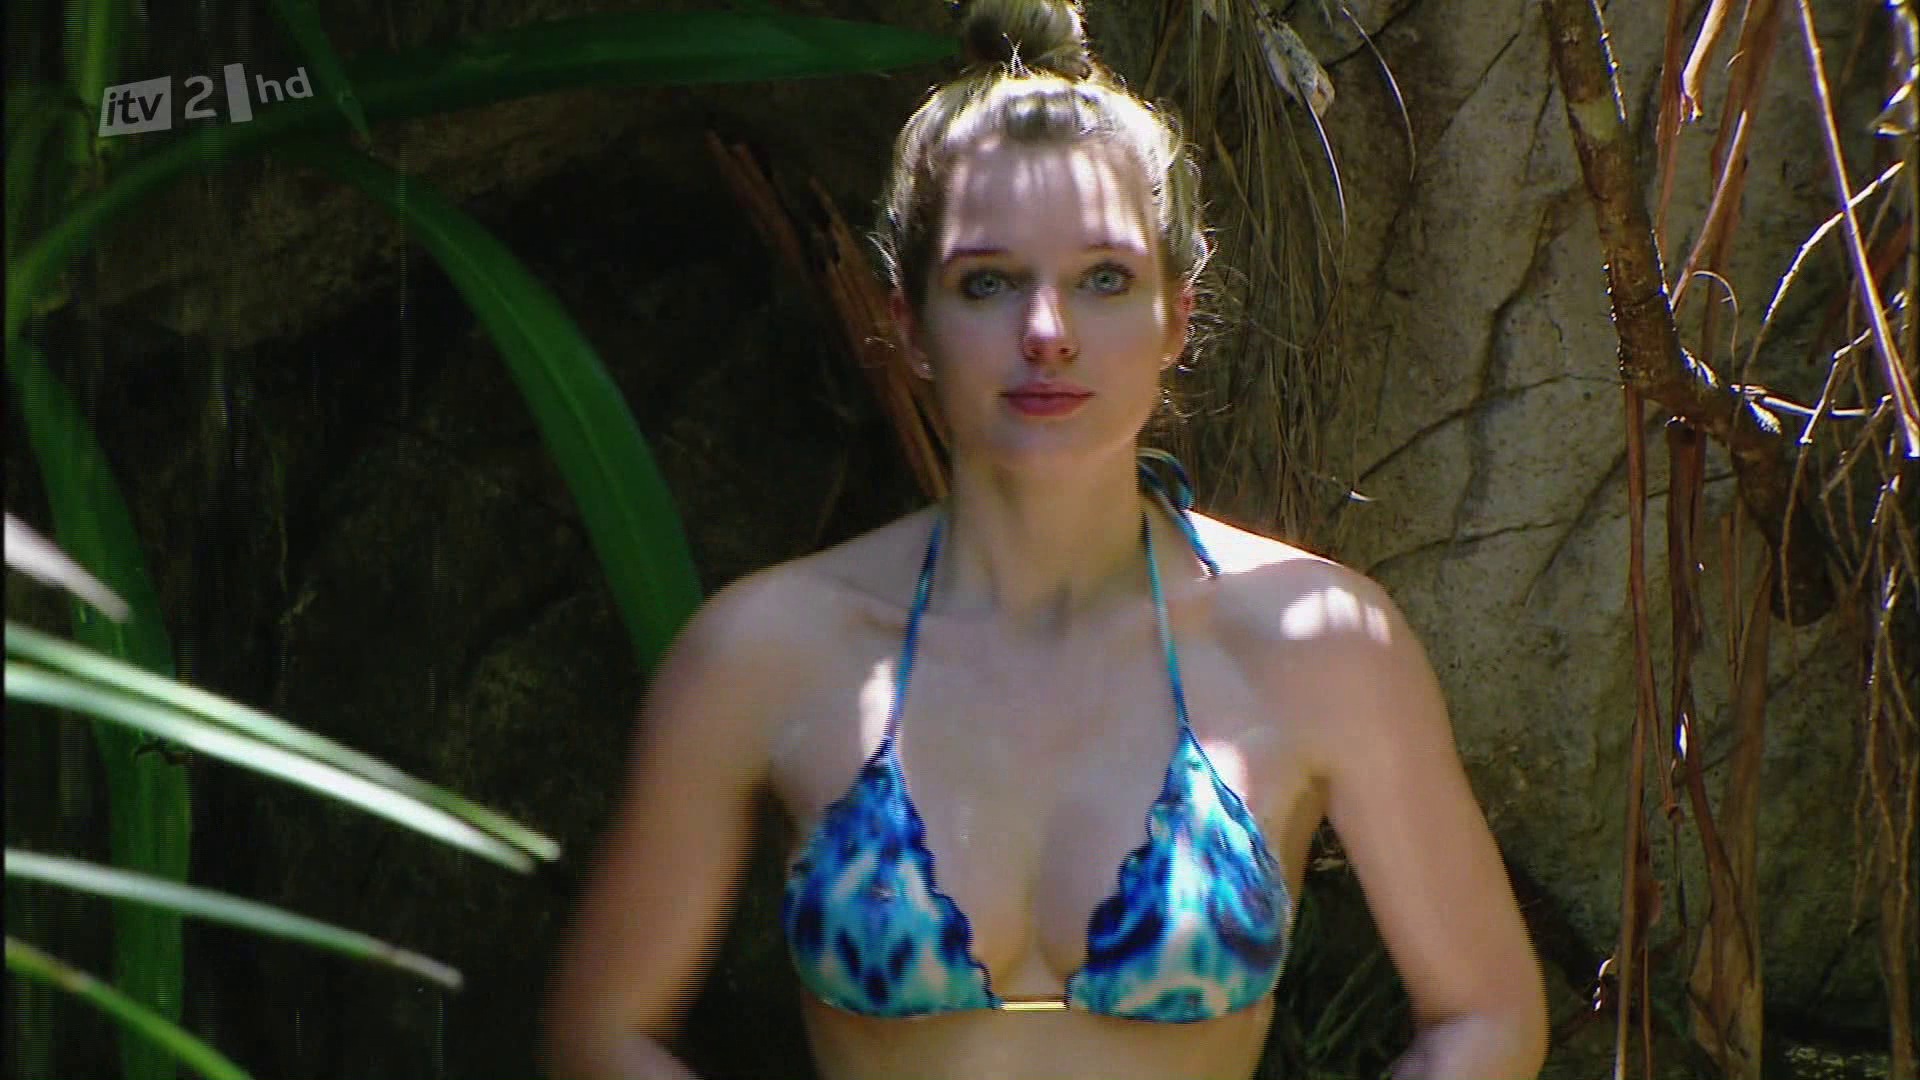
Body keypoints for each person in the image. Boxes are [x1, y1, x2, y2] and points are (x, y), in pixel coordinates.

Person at [545, 1, 1548, 1076]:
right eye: (988, 282)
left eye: (1103, 279)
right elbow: (601, 1034)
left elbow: (1485, 1017)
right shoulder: (763, 650)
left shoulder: (1324, 644)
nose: (1046, 334)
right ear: (906, 321)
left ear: (1176, 316)